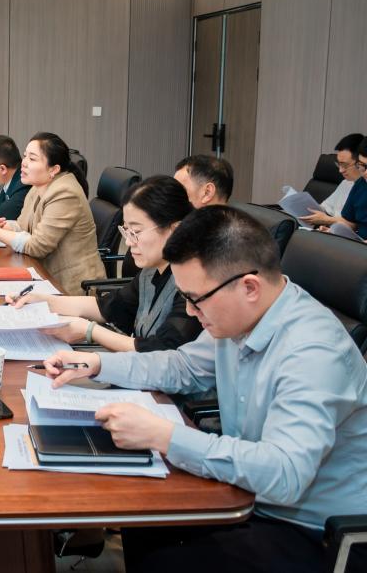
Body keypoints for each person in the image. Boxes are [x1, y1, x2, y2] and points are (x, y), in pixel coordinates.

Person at [41, 206, 367, 573]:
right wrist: (98, 364)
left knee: (168, 558)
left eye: (195, 299)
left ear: (249, 287)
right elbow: (183, 367)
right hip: (249, 495)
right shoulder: (242, 317)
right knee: (142, 512)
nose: (191, 312)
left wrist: (165, 436)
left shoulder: (313, 352)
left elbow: (285, 474)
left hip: (314, 530)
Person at [8, 175, 200, 352]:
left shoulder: (194, 283)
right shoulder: (153, 269)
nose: (128, 242)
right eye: (126, 231)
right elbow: (110, 306)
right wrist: (45, 301)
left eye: (136, 232)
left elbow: (162, 350)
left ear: (174, 229)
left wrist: (89, 330)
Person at [0, 132, 104, 295]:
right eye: (25, 156)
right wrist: (4, 225)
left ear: (54, 169)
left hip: (72, 287)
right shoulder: (37, 186)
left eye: (32, 159)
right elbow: (23, 226)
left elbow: (37, 246)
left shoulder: (65, 193)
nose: (24, 163)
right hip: (44, 275)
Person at [300, 132, 364, 227]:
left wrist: (327, 220)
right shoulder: (346, 183)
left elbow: (356, 225)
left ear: (361, 162)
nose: (340, 170)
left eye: (345, 165)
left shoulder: (363, 190)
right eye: (339, 164)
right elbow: (325, 208)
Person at [334, 136, 367, 239]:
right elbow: (350, 222)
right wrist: (333, 231)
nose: (365, 173)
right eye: (362, 165)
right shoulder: (361, 184)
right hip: (357, 244)